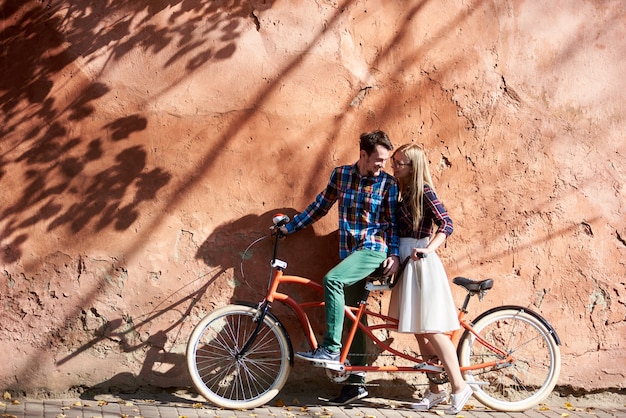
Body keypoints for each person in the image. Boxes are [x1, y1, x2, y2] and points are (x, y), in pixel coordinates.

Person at [280, 130, 401, 405]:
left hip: (373, 250)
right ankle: (356, 384)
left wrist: (394, 255)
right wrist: (290, 227)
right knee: (353, 316)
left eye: (385, 160)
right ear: (363, 155)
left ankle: (331, 349)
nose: (382, 165)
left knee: (332, 280)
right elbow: (321, 206)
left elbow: (394, 224)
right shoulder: (341, 175)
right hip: (350, 254)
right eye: (378, 160)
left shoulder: (389, 184)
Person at [388, 143, 472, 415]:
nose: (394, 166)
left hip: (421, 261)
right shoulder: (402, 191)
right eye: (394, 161)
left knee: (433, 327)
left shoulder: (424, 190)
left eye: (399, 163)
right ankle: (436, 390)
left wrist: (428, 248)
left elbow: (446, 223)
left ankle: (459, 386)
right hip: (405, 260)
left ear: (413, 166)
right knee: (418, 328)